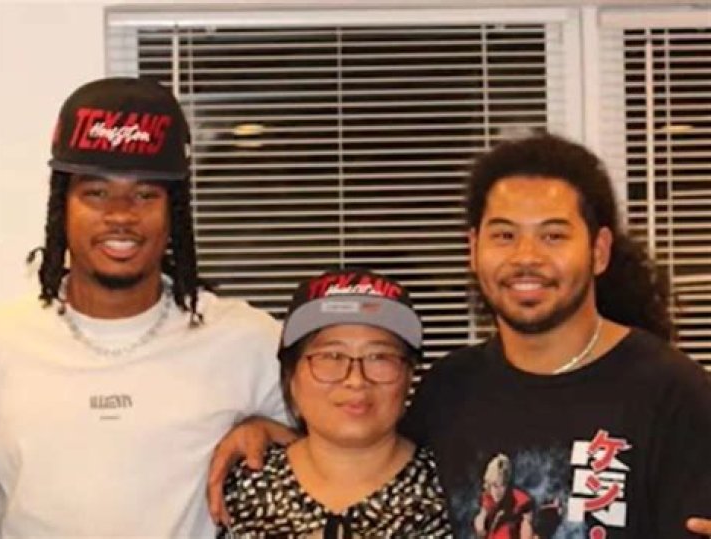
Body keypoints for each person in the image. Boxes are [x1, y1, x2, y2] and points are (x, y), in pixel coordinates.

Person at [206, 133, 711, 538]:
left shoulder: (669, 391)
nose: (527, 257)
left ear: (598, 251)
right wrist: (269, 429)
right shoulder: (450, 389)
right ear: (473, 249)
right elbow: (361, 448)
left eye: (553, 235)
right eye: (504, 235)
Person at [0, 77, 289, 538]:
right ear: (61, 206)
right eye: (96, 192)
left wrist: (271, 432)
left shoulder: (247, 340)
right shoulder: (2, 342)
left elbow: (353, 452)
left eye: (146, 194)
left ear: (174, 213)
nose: (121, 214)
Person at [217, 268, 451, 537]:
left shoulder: (451, 488)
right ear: (291, 375)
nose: (356, 380)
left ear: (409, 375)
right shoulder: (243, 485)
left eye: (379, 357)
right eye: (331, 356)